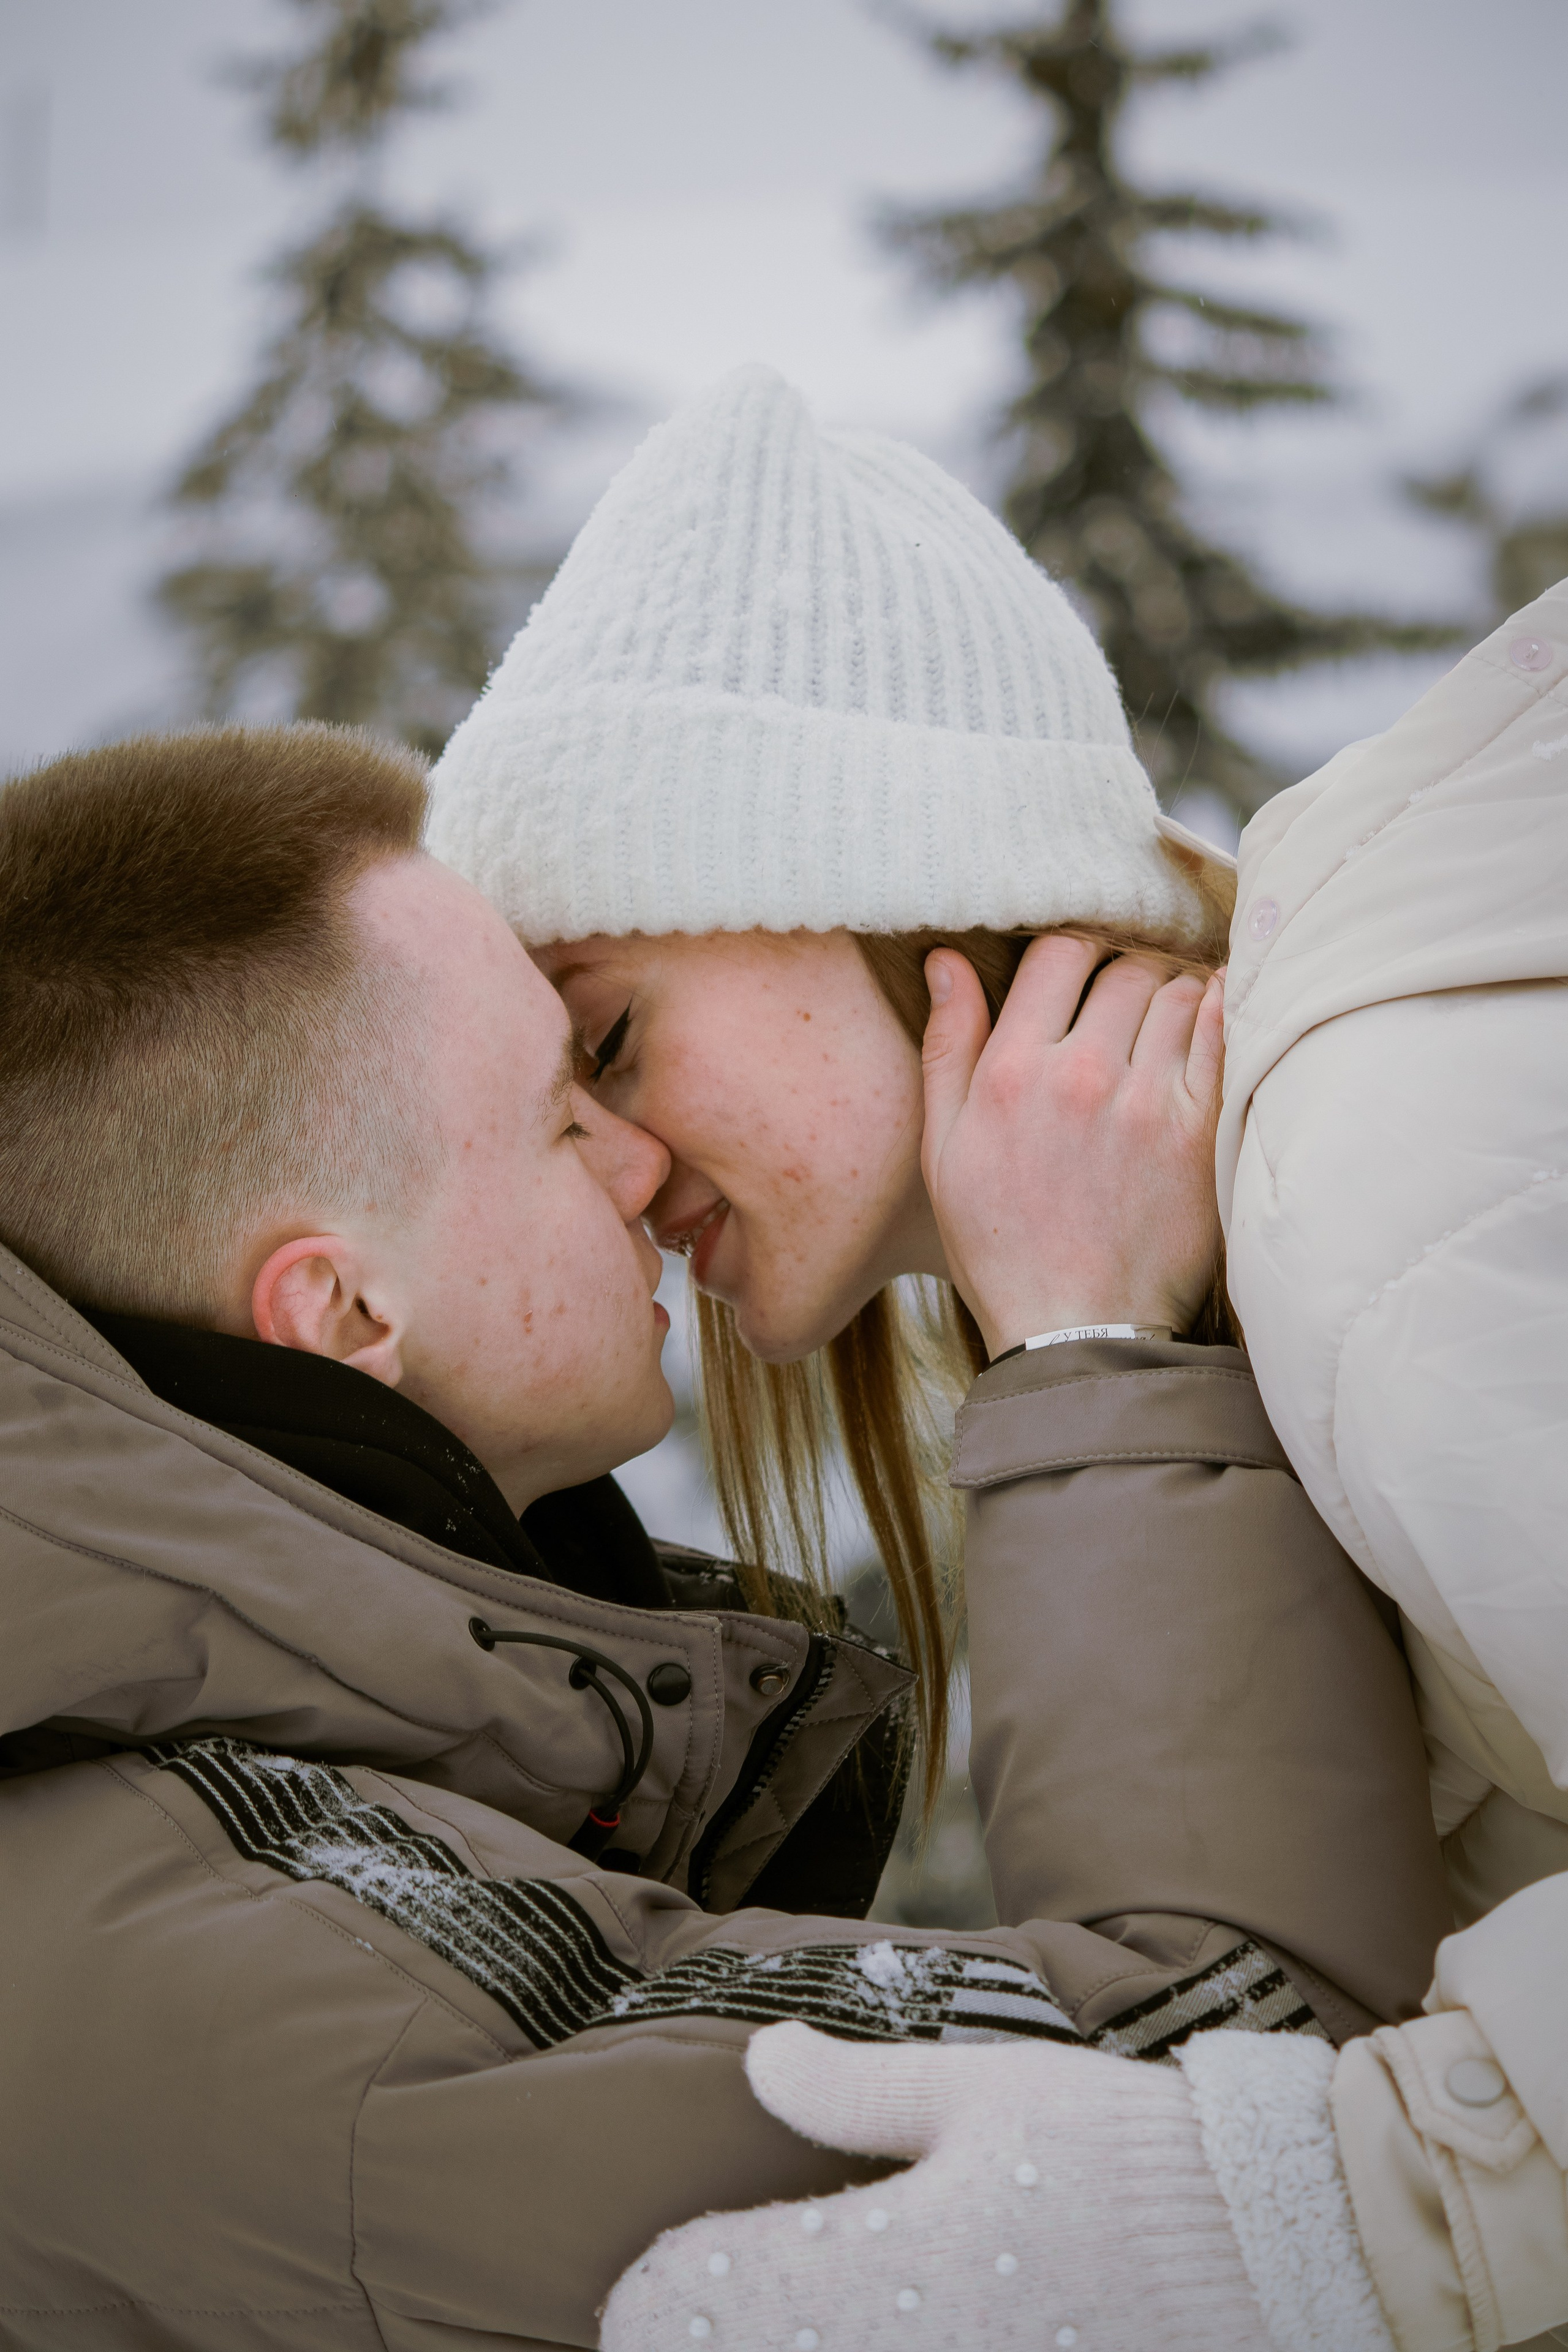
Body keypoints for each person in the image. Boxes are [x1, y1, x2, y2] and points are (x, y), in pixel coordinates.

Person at [0, 722, 1444, 2350]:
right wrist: (1085, 1337)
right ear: (340, 1305)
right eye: (563, 1110)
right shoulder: (271, 1998)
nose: (641, 1163)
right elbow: (1254, 2141)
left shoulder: (193, 1818)